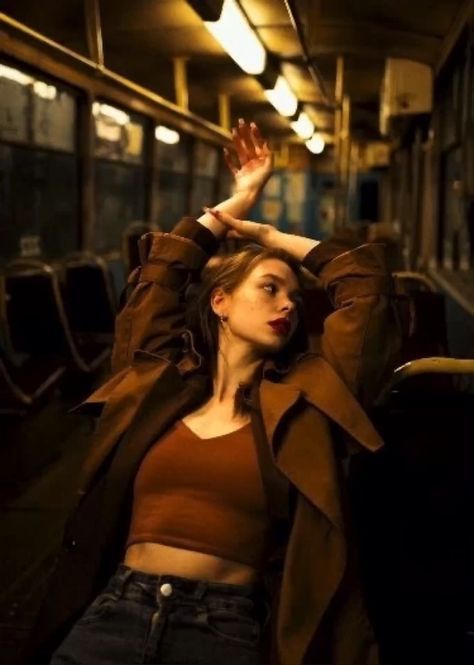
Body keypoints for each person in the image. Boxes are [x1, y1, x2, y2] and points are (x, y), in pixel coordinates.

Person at [28, 120, 401, 665]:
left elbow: (365, 291)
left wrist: (274, 241)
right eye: (269, 288)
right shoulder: (158, 383)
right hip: (116, 610)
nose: (289, 305)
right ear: (220, 302)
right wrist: (236, 203)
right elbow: (158, 281)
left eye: (294, 297)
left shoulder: (304, 400)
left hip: (221, 627)